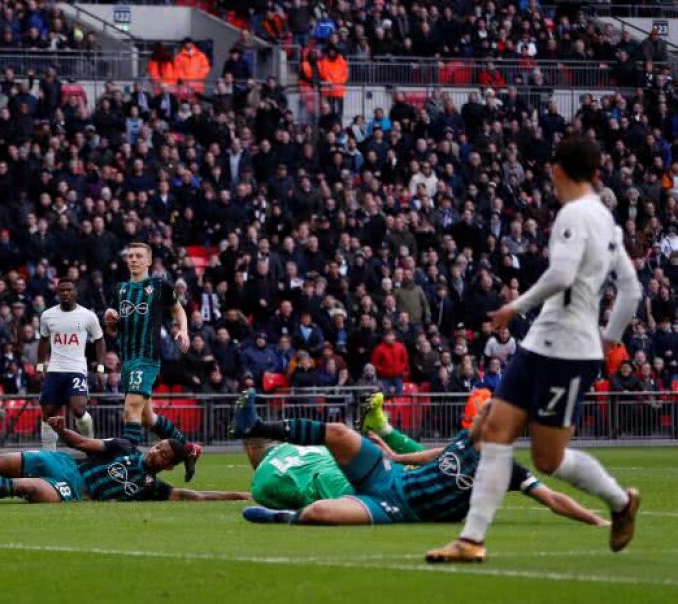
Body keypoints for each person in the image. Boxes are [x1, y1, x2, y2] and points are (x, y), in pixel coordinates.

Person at [427, 135, 642, 563]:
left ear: (556, 169)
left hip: (565, 353)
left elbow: (561, 275)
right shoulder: (608, 221)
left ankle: (620, 502)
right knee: (495, 432)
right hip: (545, 344)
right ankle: (471, 540)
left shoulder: (574, 215)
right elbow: (632, 291)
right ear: (597, 172)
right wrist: (608, 340)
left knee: (548, 458)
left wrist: (514, 306)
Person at [232, 390, 607, 528]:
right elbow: (435, 454)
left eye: (483, 415)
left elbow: (551, 498)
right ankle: (258, 424)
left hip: (396, 507)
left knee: (319, 514)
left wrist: (594, 519)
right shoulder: (463, 439)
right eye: (479, 413)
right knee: (339, 432)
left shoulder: (504, 467)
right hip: (387, 475)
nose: (475, 418)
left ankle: (280, 517)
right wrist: (394, 454)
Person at [0, 417, 246, 504]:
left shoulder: (152, 488)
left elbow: (195, 496)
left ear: (169, 466)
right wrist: (63, 429)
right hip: (65, 465)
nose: (156, 453)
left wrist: (241, 495)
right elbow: (83, 442)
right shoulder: (125, 446)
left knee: (26, 488)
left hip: (76, 489)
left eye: (164, 456)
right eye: (159, 447)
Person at [103, 242, 200, 481]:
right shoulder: (120, 289)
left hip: (146, 357)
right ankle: (188, 449)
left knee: (130, 409)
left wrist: (183, 330)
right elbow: (114, 330)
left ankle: (130, 468)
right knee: (147, 418)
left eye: (139, 256)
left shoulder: (158, 285)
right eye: (130, 255)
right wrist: (111, 320)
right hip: (128, 358)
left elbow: (178, 309)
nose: (133, 259)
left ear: (148, 261)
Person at [36, 279, 105, 449]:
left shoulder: (88, 315)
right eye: (61, 290)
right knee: (48, 413)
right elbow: (43, 341)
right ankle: (49, 454)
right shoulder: (47, 315)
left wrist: (101, 368)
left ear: (75, 293)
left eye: (68, 290)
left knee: (79, 409)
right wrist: (39, 365)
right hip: (54, 370)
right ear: (58, 293)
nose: (65, 293)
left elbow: (99, 340)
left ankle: (90, 445)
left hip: (76, 370)